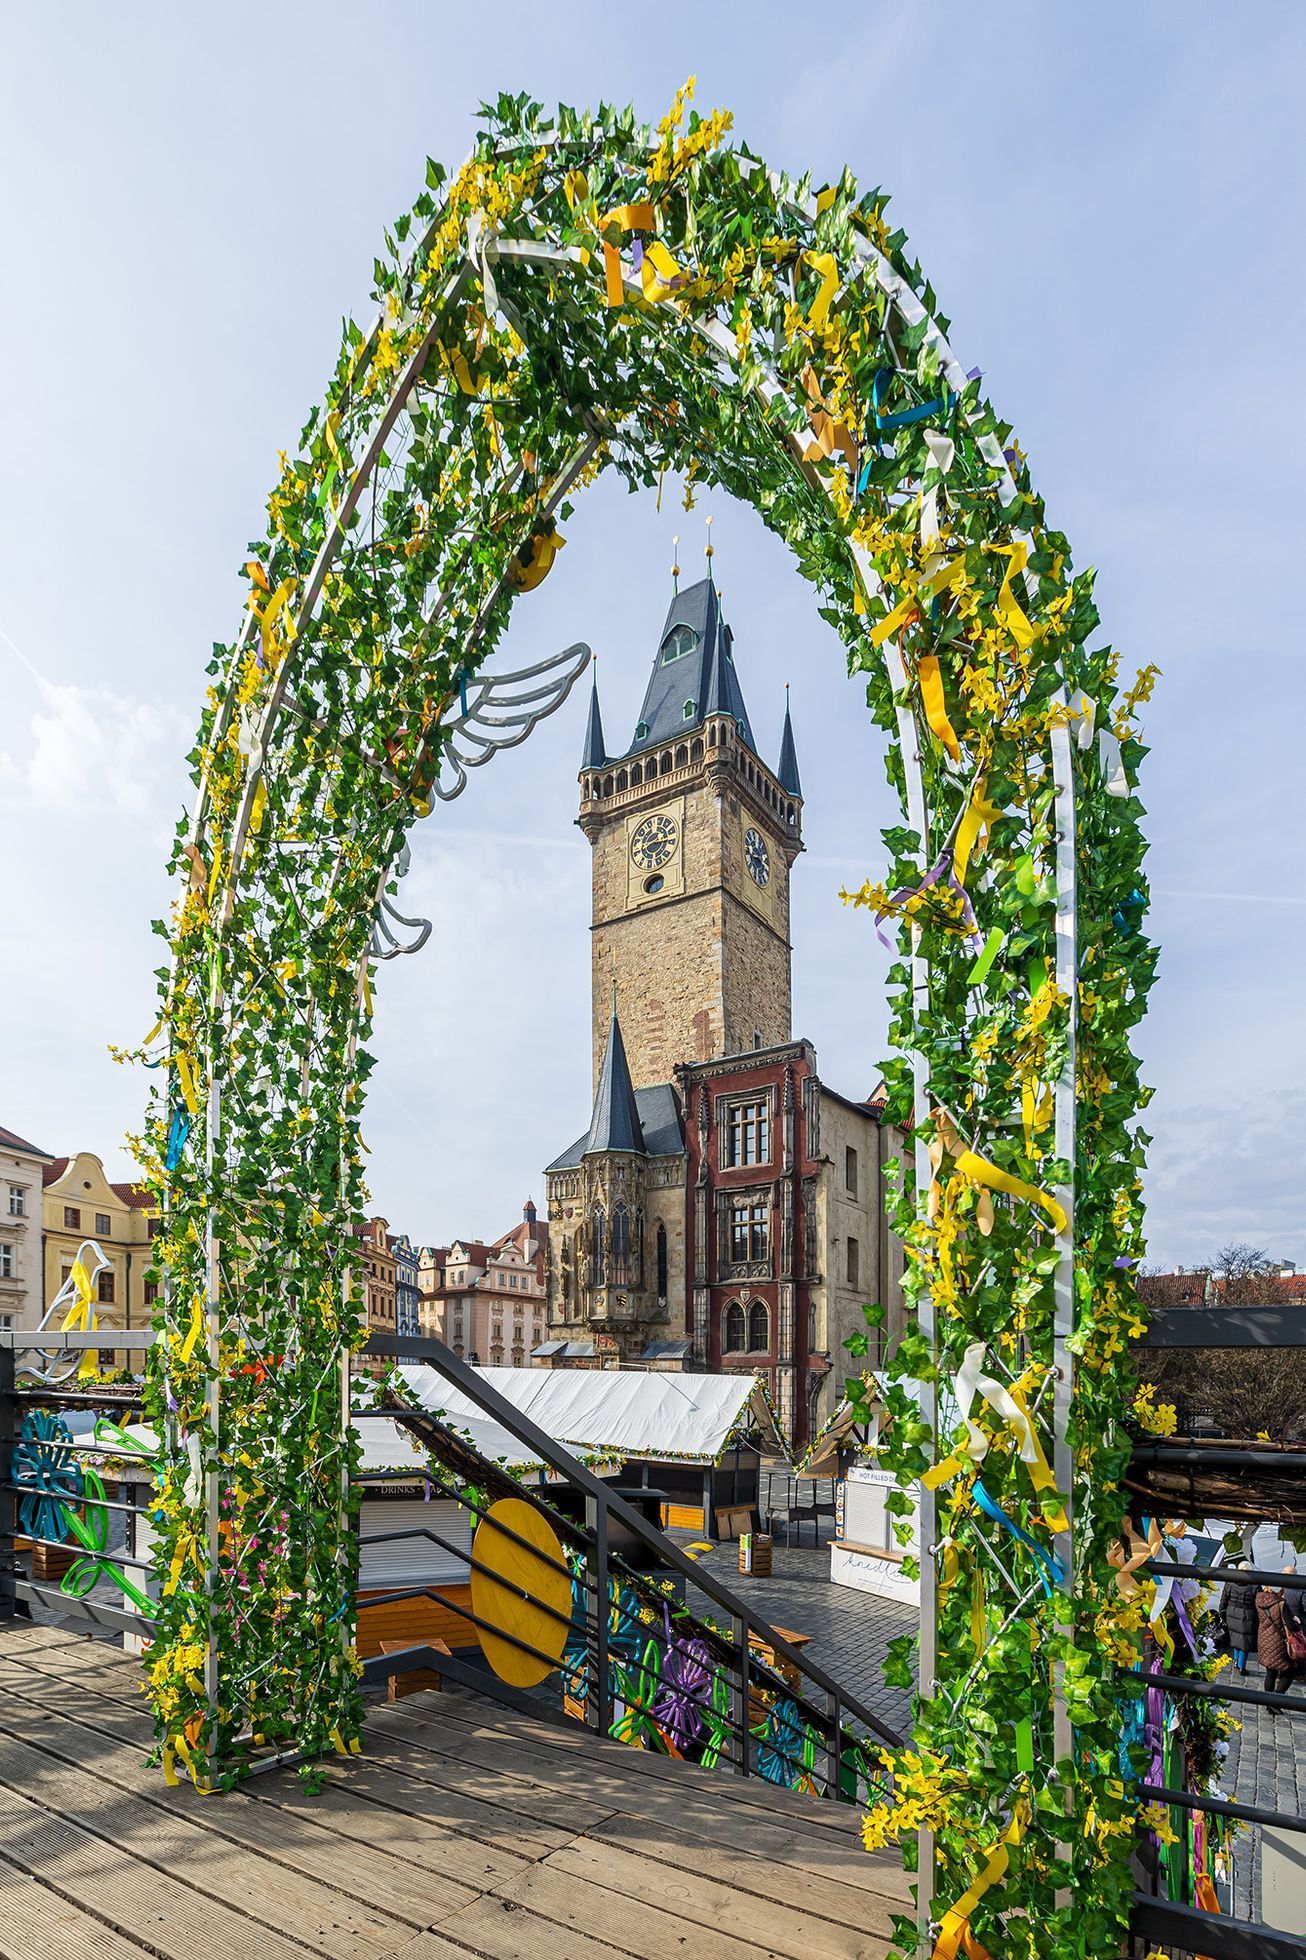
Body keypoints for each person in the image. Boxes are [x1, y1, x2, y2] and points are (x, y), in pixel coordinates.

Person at [1256, 1569, 1298, 1698]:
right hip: (1278, 1642)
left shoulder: (1259, 1599)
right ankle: (1276, 1699)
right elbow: (1290, 1625)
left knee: (1270, 1672)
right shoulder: (1280, 1604)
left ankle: (1269, 1700)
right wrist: (1296, 1622)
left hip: (1264, 1639)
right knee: (1289, 1672)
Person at [1218, 1560, 1258, 1674]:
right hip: (1248, 1614)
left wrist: (1222, 1612)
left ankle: (1236, 1661)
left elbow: (1223, 1599)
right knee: (1245, 1641)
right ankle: (1241, 1666)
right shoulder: (1254, 1584)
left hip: (1232, 1613)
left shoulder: (1230, 1582)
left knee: (1235, 1637)